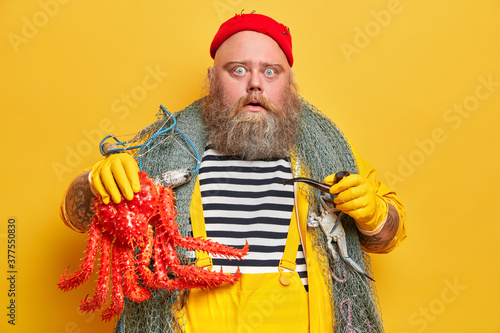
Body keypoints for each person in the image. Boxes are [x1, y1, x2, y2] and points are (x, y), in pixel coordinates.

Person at [60, 13, 406, 333]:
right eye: (238, 70)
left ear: (290, 82)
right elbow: (77, 218)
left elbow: (387, 236)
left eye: (271, 71)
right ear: (212, 78)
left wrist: (373, 215)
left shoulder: (326, 147)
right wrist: (93, 185)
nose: (255, 84)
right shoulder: (169, 144)